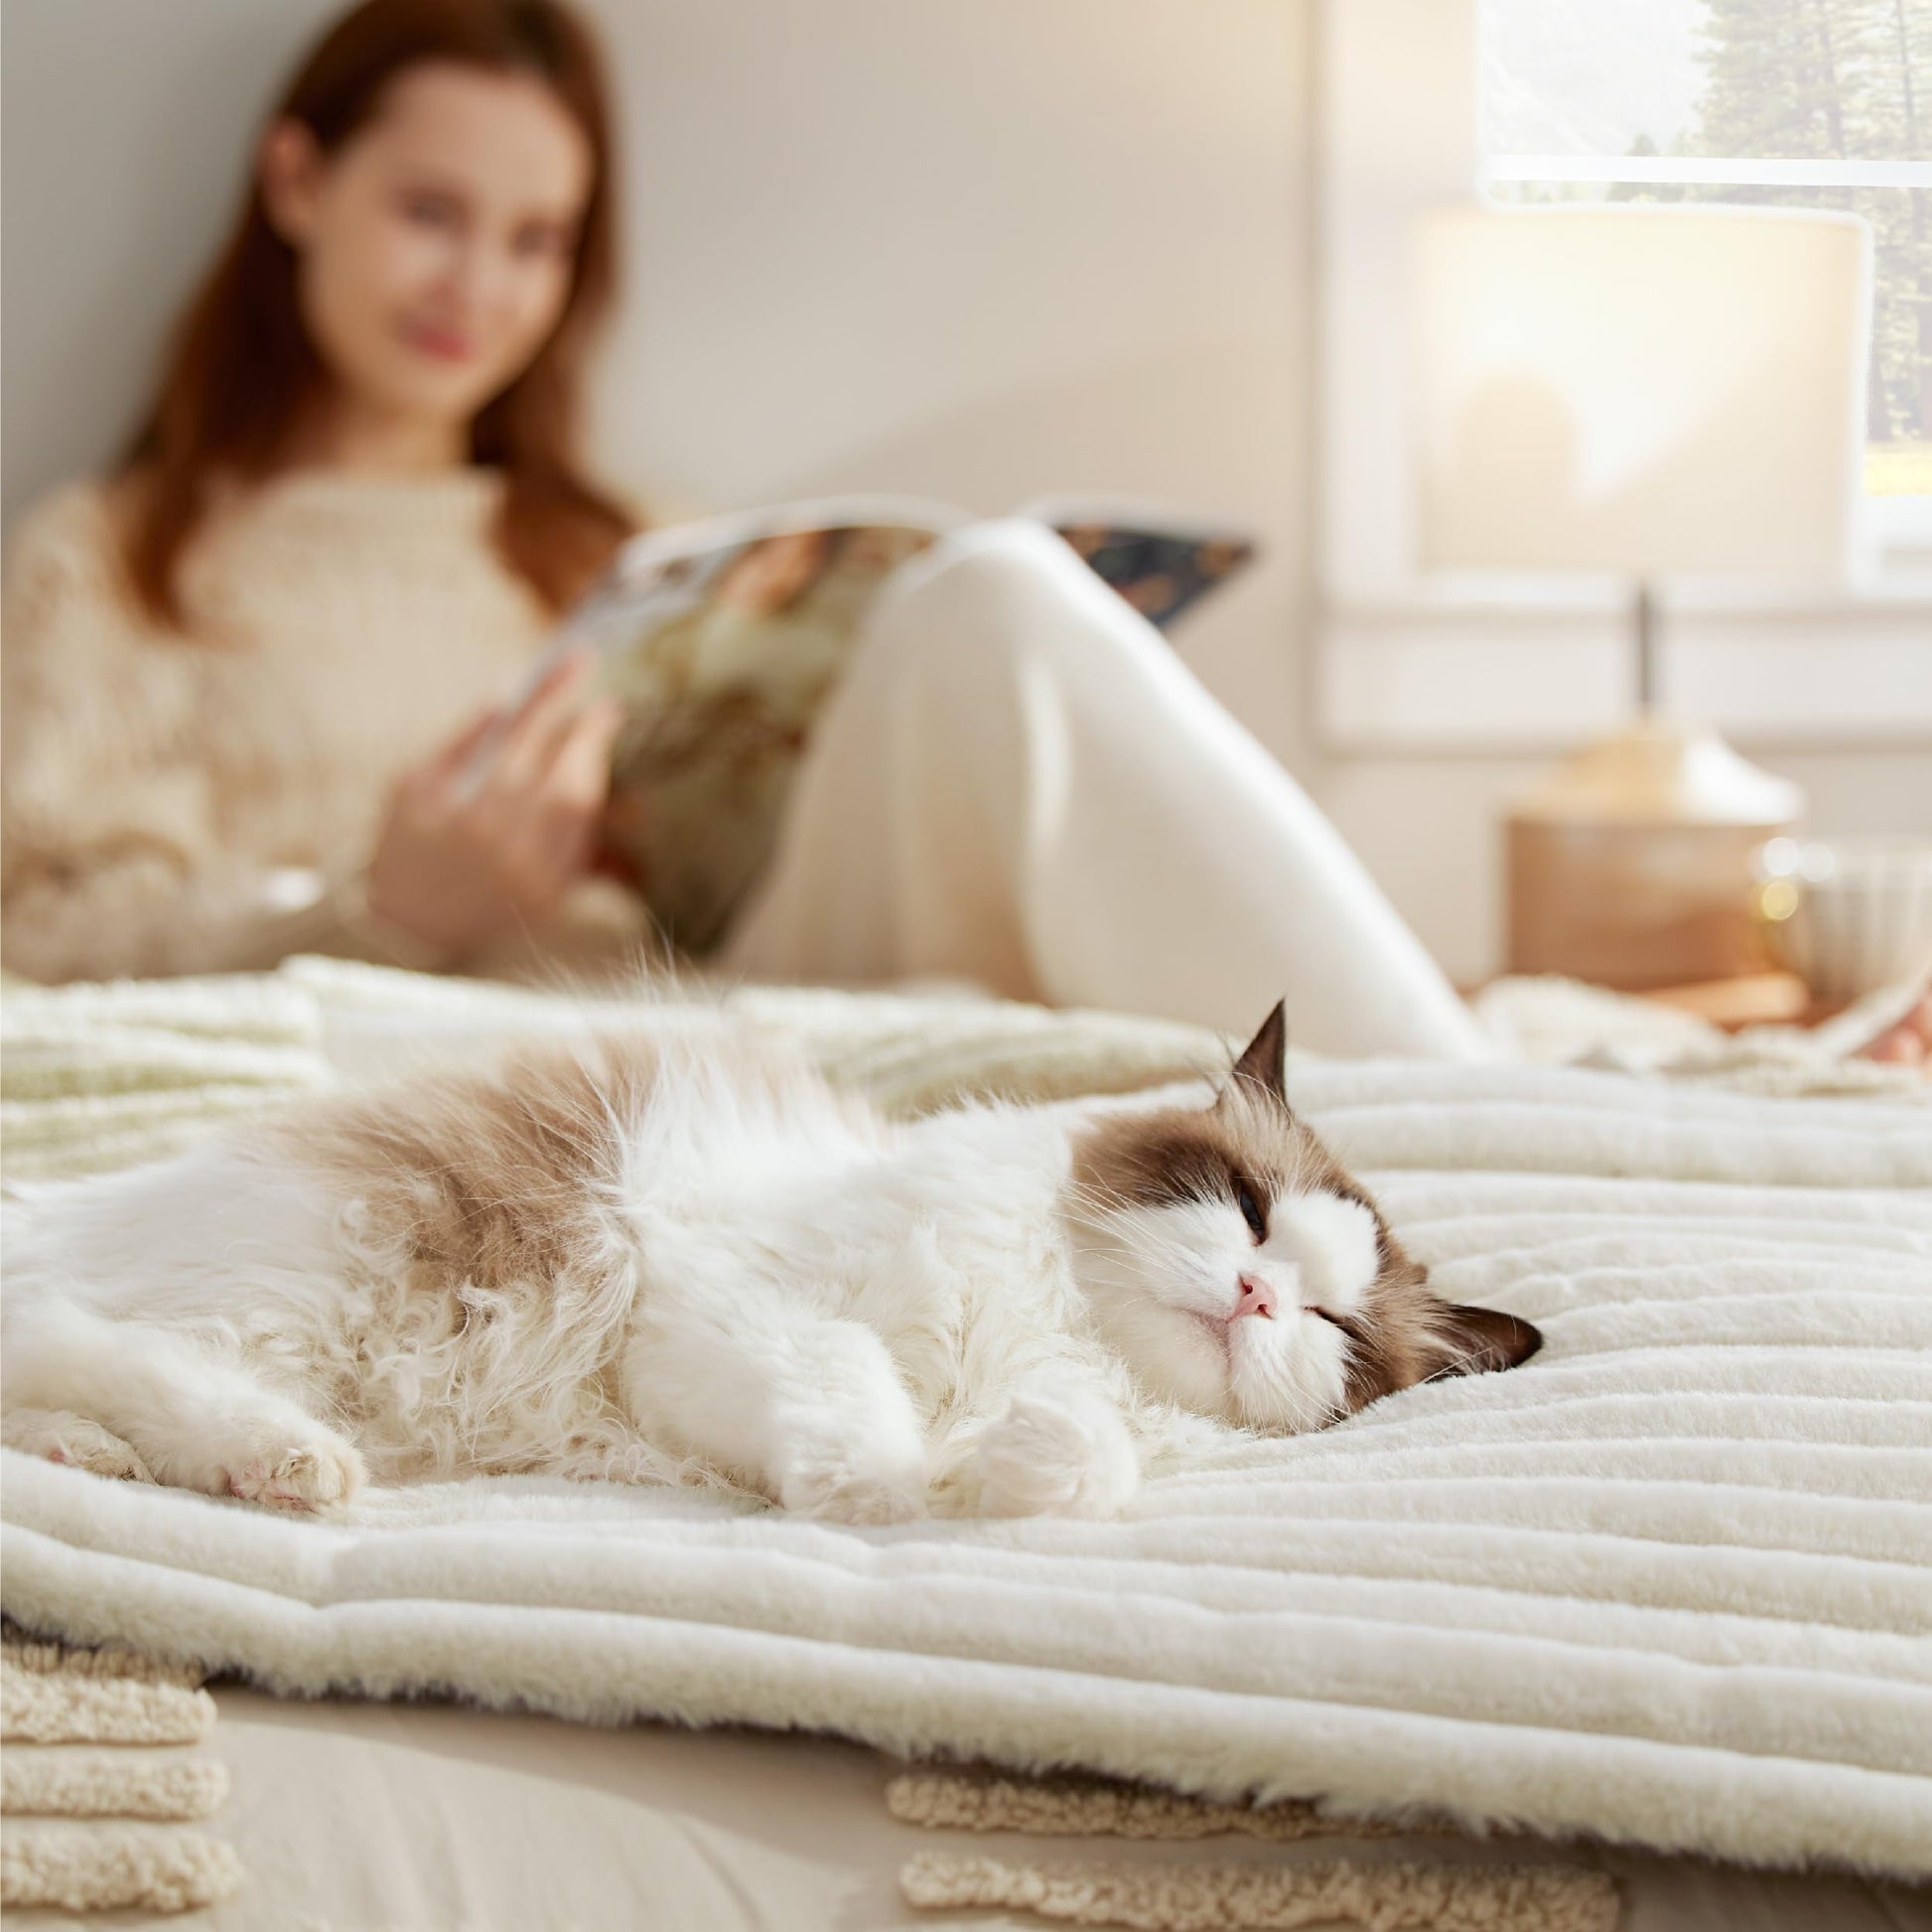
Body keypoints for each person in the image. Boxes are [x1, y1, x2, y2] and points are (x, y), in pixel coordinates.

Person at [0, 0, 1485, 1061]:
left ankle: (1451, 1110)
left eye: (537, 240)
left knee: (996, 591)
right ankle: (1430, 1107)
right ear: (298, 182)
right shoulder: (111, 558)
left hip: (750, 974)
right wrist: (370, 908)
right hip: (512, 1055)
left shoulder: (637, 547)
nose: (481, 286)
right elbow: (40, 938)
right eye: (431, 211)